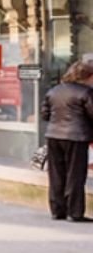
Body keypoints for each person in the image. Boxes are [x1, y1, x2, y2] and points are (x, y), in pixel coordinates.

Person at [41, 60, 93, 222]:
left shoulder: (54, 91)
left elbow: (45, 114)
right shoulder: (86, 92)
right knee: (75, 175)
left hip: (54, 136)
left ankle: (57, 210)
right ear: (89, 76)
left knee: (56, 174)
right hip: (77, 137)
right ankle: (74, 212)